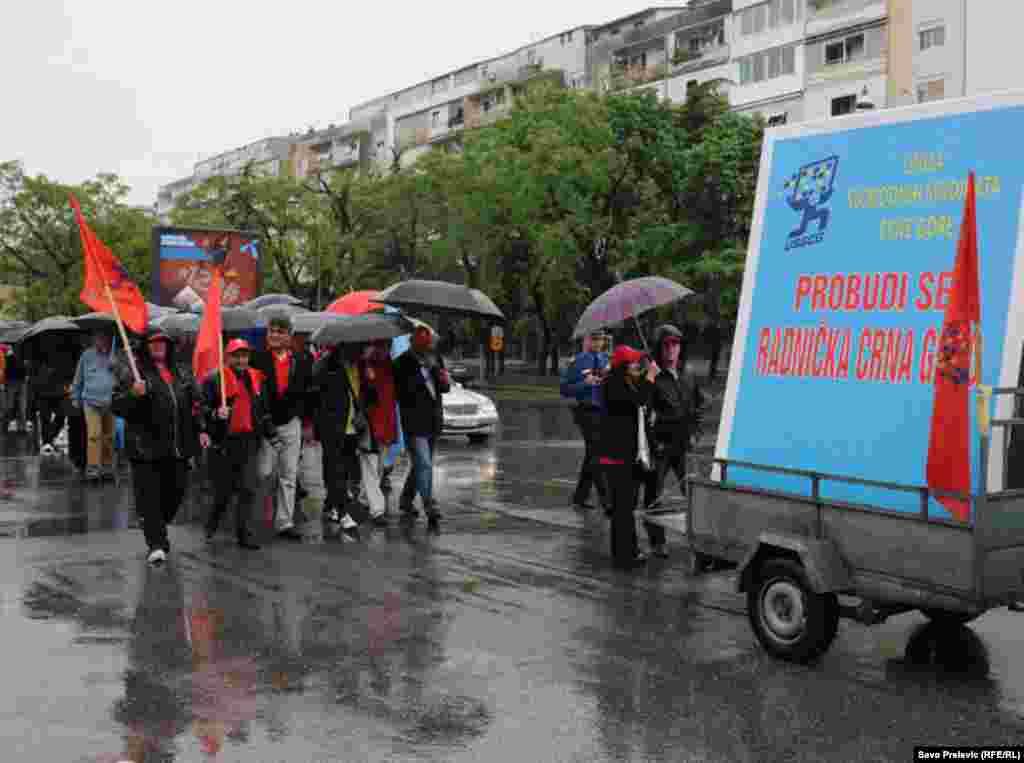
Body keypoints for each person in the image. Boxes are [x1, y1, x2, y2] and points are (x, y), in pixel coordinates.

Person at [111, 329, 211, 565]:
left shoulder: (182, 372)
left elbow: (196, 404)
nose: (158, 346)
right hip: (145, 448)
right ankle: (156, 543)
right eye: (153, 343)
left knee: (174, 495)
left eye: (162, 342)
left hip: (178, 448)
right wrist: (133, 395)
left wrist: (203, 428)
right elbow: (116, 405)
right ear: (146, 346)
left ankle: (154, 524)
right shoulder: (133, 373)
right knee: (149, 498)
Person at [203, 339, 274, 550]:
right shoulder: (215, 380)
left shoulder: (256, 378)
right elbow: (202, 408)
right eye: (237, 355)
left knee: (248, 488)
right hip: (225, 442)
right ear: (228, 357)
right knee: (224, 492)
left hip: (249, 440)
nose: (242, 359)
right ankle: (213, 522)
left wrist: (270, 432)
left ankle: (244, 534)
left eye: (245, 355)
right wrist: (216, 413)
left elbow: (263, 408)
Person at [641, 324, 705, 558]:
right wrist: (652, 442)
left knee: (693, 493)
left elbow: (698, 404)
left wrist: (696, 430)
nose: (671, 349)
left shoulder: (687, 374)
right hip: (660, 445)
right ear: (659, 347)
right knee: (654, 494)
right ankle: (657, 541)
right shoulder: (653, 375)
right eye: (666, 344)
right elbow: (643, 412)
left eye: (675, 344)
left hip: (683, 444)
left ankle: (699, 542)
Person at [250, 314, 312, 542]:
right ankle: (258, 518)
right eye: (271, 331)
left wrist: (306, 424)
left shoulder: (302, 361)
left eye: (280, 331)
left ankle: (284, 522)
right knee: (264, 473)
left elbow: (308, 394)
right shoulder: (257, 359)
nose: (274, 335)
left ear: (289, 335)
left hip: (292, 424)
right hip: (267, 425)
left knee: (289, 475)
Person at [599, 345, 659, 570]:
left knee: (625, 509)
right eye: (634, 363)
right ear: (624, 366)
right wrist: (651, 377)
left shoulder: (626, 383)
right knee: (623, 510)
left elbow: (640, 401)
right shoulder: (613, 384)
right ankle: (625, 556)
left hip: (628, 457)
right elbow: (639, 399)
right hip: (617, 458)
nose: (638, 366)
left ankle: (627, 551)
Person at [310, 342, 375, 533]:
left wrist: (370, 382)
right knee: (335, 469)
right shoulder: (325, 365)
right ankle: (343, 512)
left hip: (353, 427)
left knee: (344, 470)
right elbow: (314, 396)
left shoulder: (362, 366)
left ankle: (330, 505)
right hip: (332, 426)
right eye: (356, 349)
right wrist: (312, 424)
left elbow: (370, 398)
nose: (360, 352)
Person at [393, 326, 450, 525]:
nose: (426, 347)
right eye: (422, 344)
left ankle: (406, 499)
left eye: (428, 343)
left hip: (433, 419)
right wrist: (422, 371)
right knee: (424, 464)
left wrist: (437, 372)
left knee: (420, 465)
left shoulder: (435, 358)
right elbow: (401, 394)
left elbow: (445, 387)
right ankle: (430, 505)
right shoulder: (401, 363)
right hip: (414, 422)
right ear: (412, 342)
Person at [560, 330, 610, 511]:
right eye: (594, 339)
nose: (598, 342)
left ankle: (580, 496)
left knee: (592, 455)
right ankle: (607, 501)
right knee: (597, 454)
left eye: (601, 339)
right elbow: (564, 389)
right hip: (586, 412)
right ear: (587, 340)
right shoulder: (578, 361)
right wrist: (584, 384)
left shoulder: (606, 360)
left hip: (603, 412)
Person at [71, 330, 117, 481]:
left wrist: (116, 366)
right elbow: (79, 377)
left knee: (109, 437)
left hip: (111, 402)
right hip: (90, 401)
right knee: (94, 436)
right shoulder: (86, 355)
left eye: (104, 337)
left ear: (110, 339)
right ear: (93, 339)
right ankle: (93, 470)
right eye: (98, 337)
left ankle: (107, 467)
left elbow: (126, 377)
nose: (101, 340)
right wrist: (75, 397)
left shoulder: (116, 354)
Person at [361, 340, 398, 526]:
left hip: (386, 423)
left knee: (378, 467)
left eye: (387, 346)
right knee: (370, 465)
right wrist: (368, 376)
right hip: (370, 423)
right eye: (381, 346)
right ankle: (377, 509)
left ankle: (363, 499)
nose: (384, 350)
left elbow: (393, 396)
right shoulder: (364, 364)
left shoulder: (390, 365)